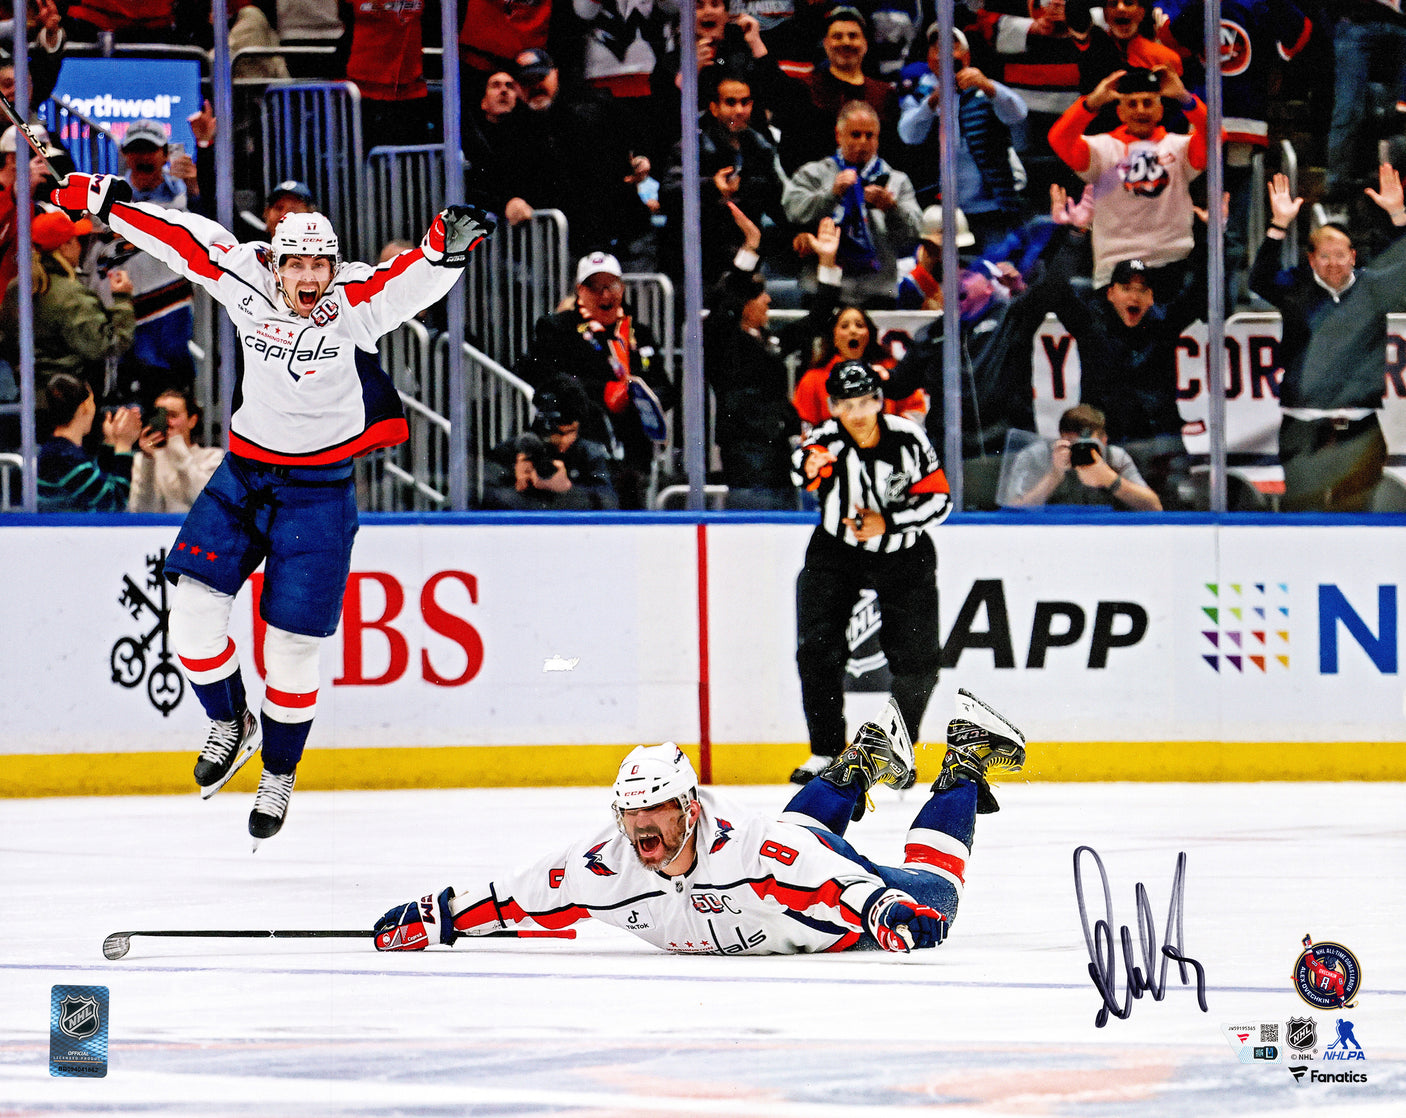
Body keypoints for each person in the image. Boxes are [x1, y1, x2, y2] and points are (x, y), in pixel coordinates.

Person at [50, 169, 495, 843]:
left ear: (334, 264)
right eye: (297, 264)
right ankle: (231, 721)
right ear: (275, 263)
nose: (309, 276)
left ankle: (279, 773)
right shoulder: (245, 277)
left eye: (321, 262)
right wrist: (109, 206)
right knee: (192, 625)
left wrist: (443, 251)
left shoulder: (352, 300)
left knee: (289, 651)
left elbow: (406, 283)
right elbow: (182, 240)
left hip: (318, 494)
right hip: (244, 475)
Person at [373, 690, 1027, 956]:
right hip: (791, 854)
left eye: (655, 808)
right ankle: (859, 763)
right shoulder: (601, 862)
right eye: (630, 813)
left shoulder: (751, 848)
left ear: (689, 807)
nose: (641, 827)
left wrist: (889, 911)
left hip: (821, 909)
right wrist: (438, 915)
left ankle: (965, 759)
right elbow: (517, 898)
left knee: (936, 890)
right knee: (793, 842)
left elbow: (838, 883)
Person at [790, 359, 951, 784]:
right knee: (816, 650)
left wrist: (889, 523)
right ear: (833, 407)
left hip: (903, 550)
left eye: (865, 402)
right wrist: (810, 466)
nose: (858, 414)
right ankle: (825, 751)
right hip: (836, 550)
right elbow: (800, 466)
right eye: (847, 405)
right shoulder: (826, 439)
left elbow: (940, 502)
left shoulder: (908, 439)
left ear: (879, 401)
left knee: (919, 657)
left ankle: (897, 750)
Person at [1249, 165, 1406, 512]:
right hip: (1303, 428)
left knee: (1356, 514)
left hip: (1361, 428)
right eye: (1324, 256)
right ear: (1311, 259)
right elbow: (1258, 280)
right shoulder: (1296, 290)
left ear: (1353, 256)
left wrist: (1398, 213)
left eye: (1341, 256)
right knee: (1300, 515)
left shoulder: (1374, 289)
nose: (1333, 264)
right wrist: (1278, 226)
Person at [514, 250, 675, 510]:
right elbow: (541, 375)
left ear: (621, 288)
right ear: (580, 290)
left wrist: (645, 399)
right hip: (585, 445)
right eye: (594, 287)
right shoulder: (559, 327)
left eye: (611, 285)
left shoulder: (639, 333)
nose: (605, 294)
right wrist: (604, 392)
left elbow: (666, 387)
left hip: (634, 448)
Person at [703, 207, 841, 510]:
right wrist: (751, 246)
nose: (767, 299)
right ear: (742, 305)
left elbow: (817, 319)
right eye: (758, 295)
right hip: (746, 454)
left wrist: (827, 263)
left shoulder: (769, 341)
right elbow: (726, 298)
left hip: (779, 451)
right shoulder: (722, 339)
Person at [1047, 65, 1206, 289]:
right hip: (1114, 268)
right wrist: (1091, 103)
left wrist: (1184, 98)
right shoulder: (1100, 149)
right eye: (1132, 104)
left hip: (1172, 263)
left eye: (1148, 103)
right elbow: (1059, 139)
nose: (1140, 110)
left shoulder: (1180, 147)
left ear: (1160, 112)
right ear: (1120, 113)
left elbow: (1216, 137)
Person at [898, 25, 1028, 255]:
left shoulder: (986, 89)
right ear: (930, 59)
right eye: (938, 49)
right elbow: (908, 135)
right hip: (941, 211)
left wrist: (987, 86)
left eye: (953, 47)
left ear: (966, 57)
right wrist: (933, 100)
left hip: (992, 207)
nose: (946, 54)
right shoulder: (920, 94)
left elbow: (1018, 113)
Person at [783, 101, 924, 308]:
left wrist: (892, 209)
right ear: (839, 135)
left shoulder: (897, 181)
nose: (863, 142)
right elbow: (793, 212)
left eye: (870, 136)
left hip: (879, 292)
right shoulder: (813, 174)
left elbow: (913, 235)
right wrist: (831, 194)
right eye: (855, 134)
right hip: (822, 288)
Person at [102, 119, 197, 403]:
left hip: (171, 309)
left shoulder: (183, 196)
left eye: (150, 150)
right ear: (124, 154)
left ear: (165, 154)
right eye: (135, 150)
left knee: (170, 397)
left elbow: (216, 228)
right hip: (123, 315)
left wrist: (195, 185)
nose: (142, 158)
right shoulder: (106, 197)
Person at [0, 210, 134, 395]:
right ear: (64, 247)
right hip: (72, 398)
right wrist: (122, 300)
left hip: (29, 395)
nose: (80, 247)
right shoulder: (71, 296)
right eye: (76, 240)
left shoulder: (17, 287)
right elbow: (108, 345)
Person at [480, 376, 619, 510]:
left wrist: (567, 490)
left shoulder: (589, 453)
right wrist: (517, 485)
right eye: (558, 433)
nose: (564, 441)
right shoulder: (515, 450)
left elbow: (610, 503)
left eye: (571, 432)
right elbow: (484, 497)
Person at [1003, 403, 1162, 508]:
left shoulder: (1115, 458)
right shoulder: (1036, 457)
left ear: (1104, 441)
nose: (1082, 450)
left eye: (1090, 445)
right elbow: (1012, 512)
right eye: (1074, 444)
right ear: (1061, 439)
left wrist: (1110, 479)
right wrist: (1054, 475)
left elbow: (1154, 507)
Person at [36, 372, 141, 512]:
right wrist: (124, 446)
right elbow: (114, 504)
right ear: (85, 406)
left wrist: (110, 443)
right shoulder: (64, 458)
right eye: (92, 401)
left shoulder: (60, 450)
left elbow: (99, 485)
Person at [128, 386, 225, 513]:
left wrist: (177, 446)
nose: (167, 422)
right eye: (161, 415)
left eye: (173, 415)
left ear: (192, 421)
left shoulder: (213, 457)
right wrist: (148, 461)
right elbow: (141, 510)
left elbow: (204, 503)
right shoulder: (143, 460)